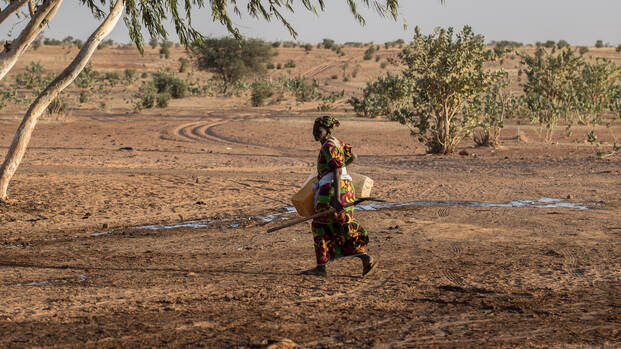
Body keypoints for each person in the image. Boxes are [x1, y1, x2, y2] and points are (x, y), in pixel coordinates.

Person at [301, 115, 376, 277]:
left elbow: (336, 170)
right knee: (342, 225)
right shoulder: (337, 143)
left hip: (332, 191)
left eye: (318, 130)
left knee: (320, 226)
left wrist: (336, 197)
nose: (315, 133)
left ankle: (322, 267)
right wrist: (340, 168)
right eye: (314, 130)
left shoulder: (328, 147)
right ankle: (364, 258)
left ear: (327, 131)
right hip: (346, 190)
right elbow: (353, 157)